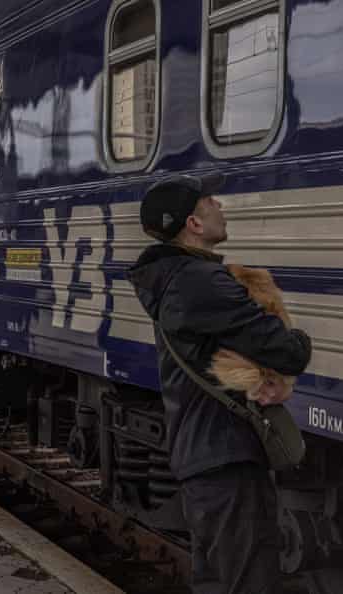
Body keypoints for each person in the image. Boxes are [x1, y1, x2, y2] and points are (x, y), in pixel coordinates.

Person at [127, 173, 312, 594]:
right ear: (193, 223)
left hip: (206, 456)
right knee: (246, 581)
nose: (220, 208)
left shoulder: (176, 279)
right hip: (225, 457)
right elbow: (288, 351)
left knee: (217, 580)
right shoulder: (200, 281)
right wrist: (299, 338)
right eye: (211, 202)